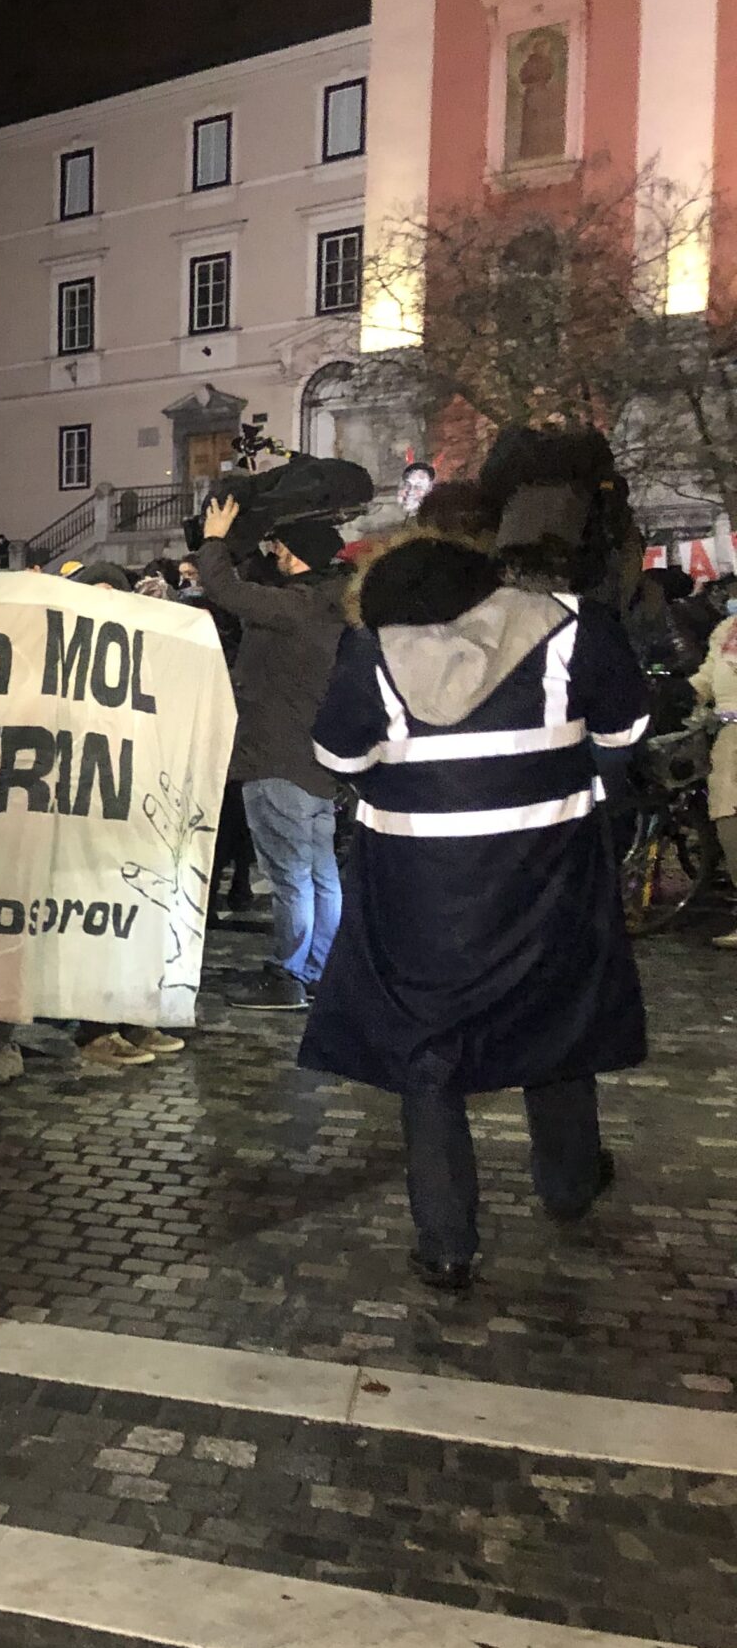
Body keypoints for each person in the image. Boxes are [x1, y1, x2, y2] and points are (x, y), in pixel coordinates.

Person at [303, 530, 648, 1292]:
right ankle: (569, 1182)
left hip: (421, 889)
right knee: (557, 1019)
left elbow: (337, 758)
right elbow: (626, 731)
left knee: (428, 1051)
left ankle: (448, 1241)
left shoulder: (373, 655)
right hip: (548, 874)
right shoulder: (572, 628)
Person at [185, 497, 353, 1010]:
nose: (275, 552)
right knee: (321, 875)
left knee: (290, 877)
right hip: (315, 764)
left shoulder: (298, 607)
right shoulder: (330, 605)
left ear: (298, 556)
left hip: (279, 757)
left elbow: (229, 591)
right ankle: (319, 968)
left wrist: (214, 540)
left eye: (281, 547)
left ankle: (288, 974)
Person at [689, 592, 737, 949]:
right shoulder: (727, 629)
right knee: (728, 824)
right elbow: (708, 675)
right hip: (728, 742)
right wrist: (684, 693)